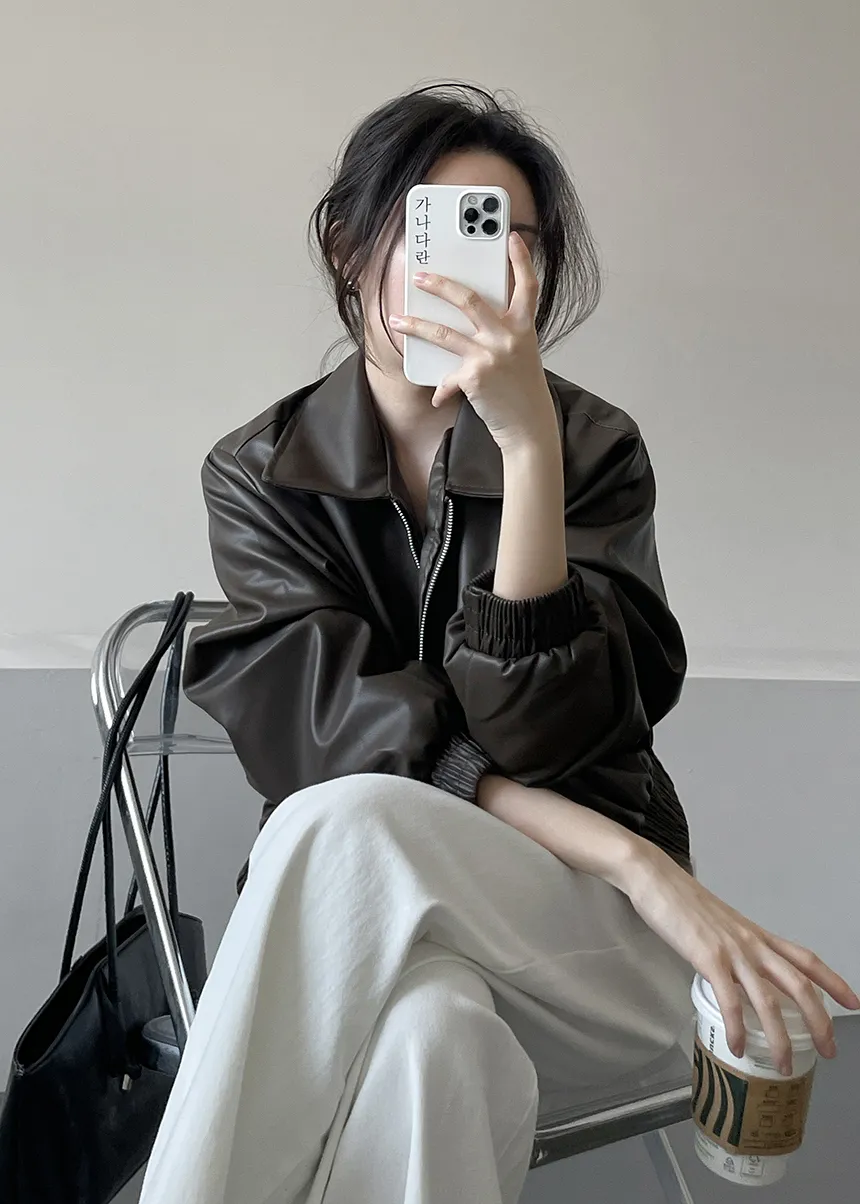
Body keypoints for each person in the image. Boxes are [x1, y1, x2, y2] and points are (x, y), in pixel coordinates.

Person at [138, 83, 859, 1204]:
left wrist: (526, 450)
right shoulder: (260, 473)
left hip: (593, 949)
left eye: (508, 237)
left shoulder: (590, 446)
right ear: (348, 247)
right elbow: (336, 745)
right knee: (431, 1040)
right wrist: (639, 862)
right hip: (376, 938)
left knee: (340, 822)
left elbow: (555, 740)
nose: (472, 270)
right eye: (434, 229)